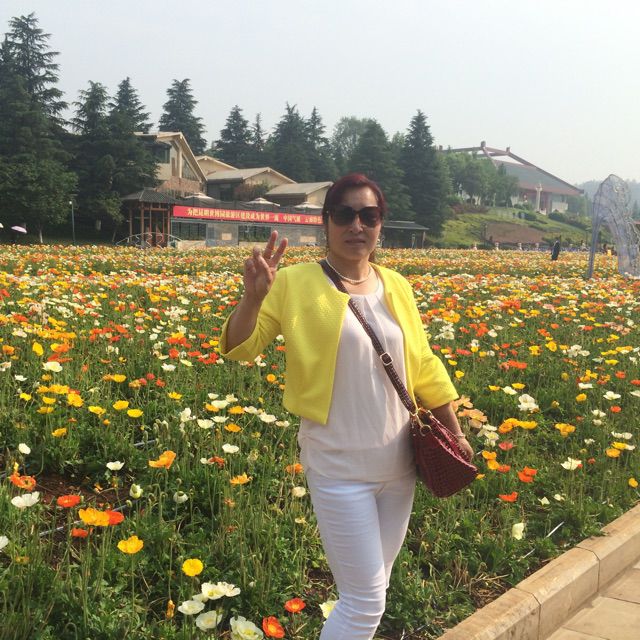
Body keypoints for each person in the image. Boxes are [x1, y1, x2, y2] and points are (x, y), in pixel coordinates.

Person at [221, 173, 473, 640]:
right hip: (338, 469)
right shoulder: (294, 282)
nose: (357, 225)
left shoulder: (396, 285)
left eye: (368, 215)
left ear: (380, 224)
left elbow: (422, 364)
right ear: (326, 222)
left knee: (374, 591)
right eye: (344, 214)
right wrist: (252, 299)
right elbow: (241, 348)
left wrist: (453, 430)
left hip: (399, 470)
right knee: (364, 602)